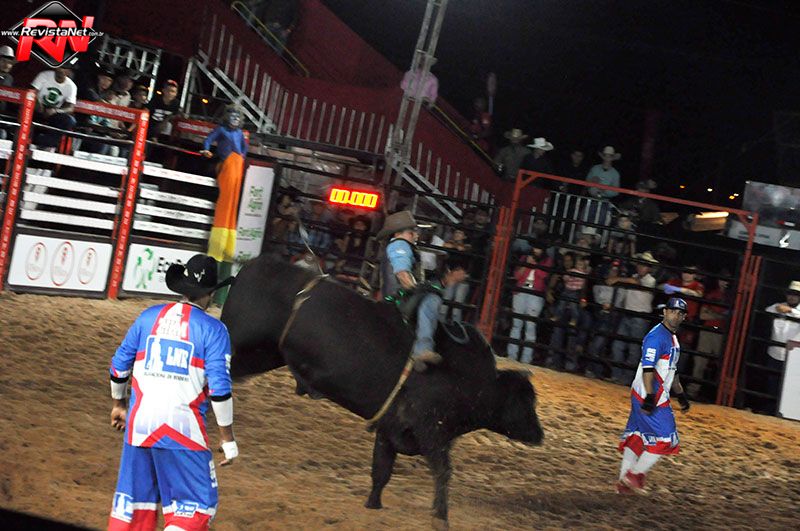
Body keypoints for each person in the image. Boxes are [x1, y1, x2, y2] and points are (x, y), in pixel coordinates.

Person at [107, 254, 238, 530]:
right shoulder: (214, 330)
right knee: (196, 508)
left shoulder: (148, 317)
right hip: (182, 431)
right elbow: (219, 388)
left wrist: (119, 404)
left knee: (135, 509)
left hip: (139, 427)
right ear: (212, 292)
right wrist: (228, 438)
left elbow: (119, 367)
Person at [617, 297, 691, 494]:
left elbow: (671, 370)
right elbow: (648, 369)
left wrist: (680, 394)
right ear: (665, 312)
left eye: (680, 313)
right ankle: (634, 475)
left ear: (683, 317)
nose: (675, 316)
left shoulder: (670, 338)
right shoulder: (657, 337)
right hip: (651, 394)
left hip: (645, 392)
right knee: (667, 438)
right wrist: (650, 396)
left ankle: (623, 483)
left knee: (636, 436)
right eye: (672, 311)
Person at [378, 211, 468, 371]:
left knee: (430, 295)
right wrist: (416, 289)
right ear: (398, 234)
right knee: (432, 300)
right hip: (399, 298)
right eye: (411, 232)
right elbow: (402, 273)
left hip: (397, 297)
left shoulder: (398, 246)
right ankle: (422, 350)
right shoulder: (400, 245)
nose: (416, 235)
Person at [201, 105, 248, 304]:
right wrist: (206, 149)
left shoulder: (240, 134)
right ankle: (214, 293)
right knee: (227, 204)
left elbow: (244, 148)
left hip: (237, 165)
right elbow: (209, 139)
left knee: (232, 206)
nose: (235, 119)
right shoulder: (221, 130)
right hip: (227, 164)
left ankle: (220, 296)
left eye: (238, 116)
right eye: (232, 115)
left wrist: (242, 156)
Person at [609, 251, 658, 384]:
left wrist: (618, 279)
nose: (640, 267)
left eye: (644, 265)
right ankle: (618, 376)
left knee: (633, 349)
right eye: (640, 264)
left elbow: (636, 283)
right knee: (619, 346)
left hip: (639, 317)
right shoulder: (635, 278)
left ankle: (625, 378)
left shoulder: (650, 280)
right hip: (629, 315)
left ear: (649, 268)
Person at [507, 240, 554, 364]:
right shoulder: (524, 258)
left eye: (539, 248)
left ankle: (526, 359)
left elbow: (543, 275)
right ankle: (512, 356)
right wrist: (527, 265)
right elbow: (517, 275)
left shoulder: (547, 261)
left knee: (530, 326)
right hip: (521, 291)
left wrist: (533, 265)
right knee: (517, 324)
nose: (536, 250)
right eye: (535, 248)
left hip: (535, 294)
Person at [764, 281, 800, 400]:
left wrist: (790, 311)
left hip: (793, 357)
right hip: (774, 354)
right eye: (790, 293)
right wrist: (779, 308)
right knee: (771, 385)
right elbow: (767, 310)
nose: (792, 296)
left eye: (796, 294)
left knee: (788, 388)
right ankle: (770, 407)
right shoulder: (778, 306)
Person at [31, 63, 78, 149]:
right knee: (28, 111)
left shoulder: (72, 86)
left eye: (65, 69)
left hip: (53, 112)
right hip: (36, 107)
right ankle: (29, 140)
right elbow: (32, 92)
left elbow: (70, 107)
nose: (61, 70)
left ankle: (46, 144)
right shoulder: (44, 75)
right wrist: (38, 105)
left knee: (69, 121)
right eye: (60, 67)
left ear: (69, 72)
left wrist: (55, 111)